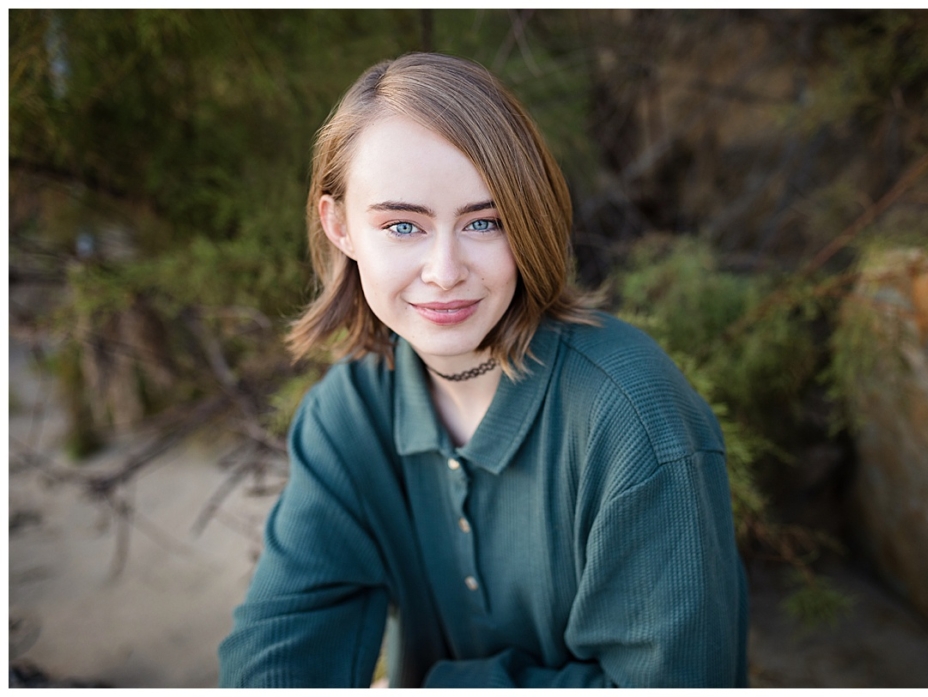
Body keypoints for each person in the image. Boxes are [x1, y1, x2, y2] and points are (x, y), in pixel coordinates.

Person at [217, 52, 748, 688]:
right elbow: (280, 646)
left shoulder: (632, 417)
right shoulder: (347, 415)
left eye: (485, 221)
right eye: (403, 225)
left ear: (530, 220)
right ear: (340, 228)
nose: (445, 270)